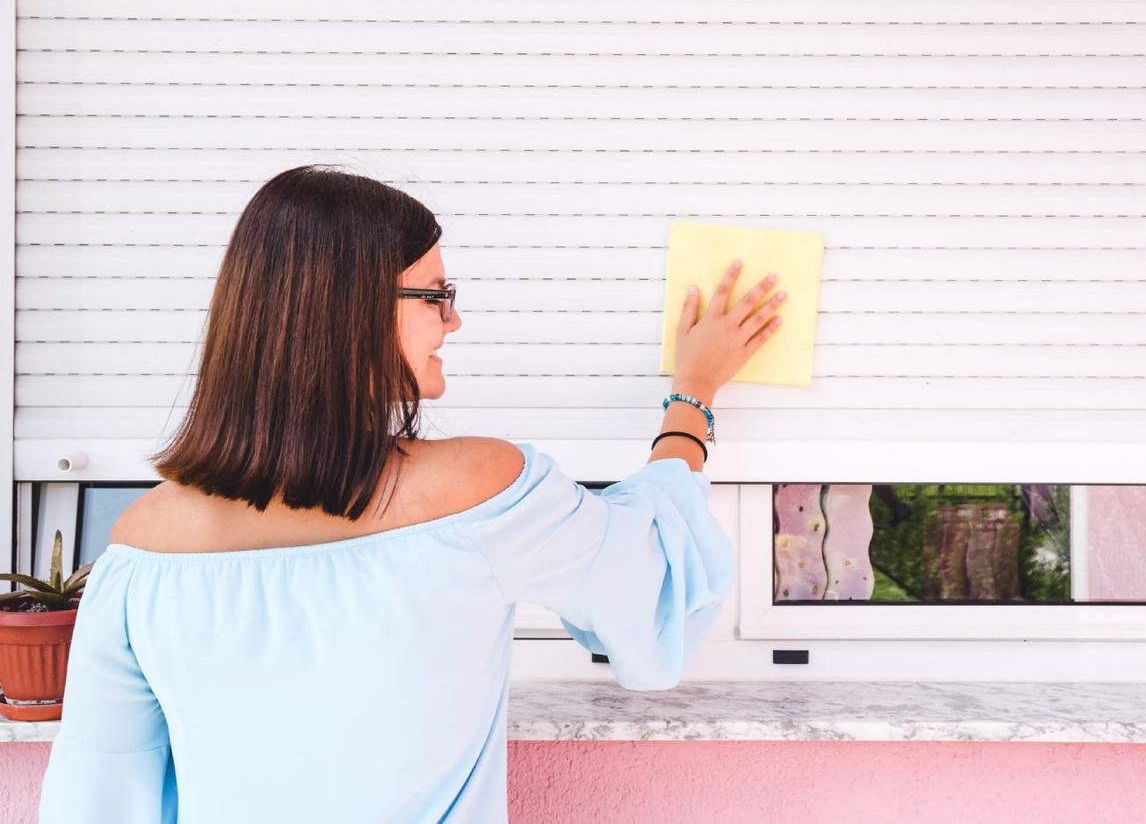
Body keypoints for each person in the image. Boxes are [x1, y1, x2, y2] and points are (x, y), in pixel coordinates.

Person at [37, 165, 788, 823]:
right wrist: (694, 396)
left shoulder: (142, 548)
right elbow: (654, 599)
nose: (454, 318)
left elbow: (97, 799)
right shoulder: (481, 493)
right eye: (437, 293)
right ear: (353, 306)